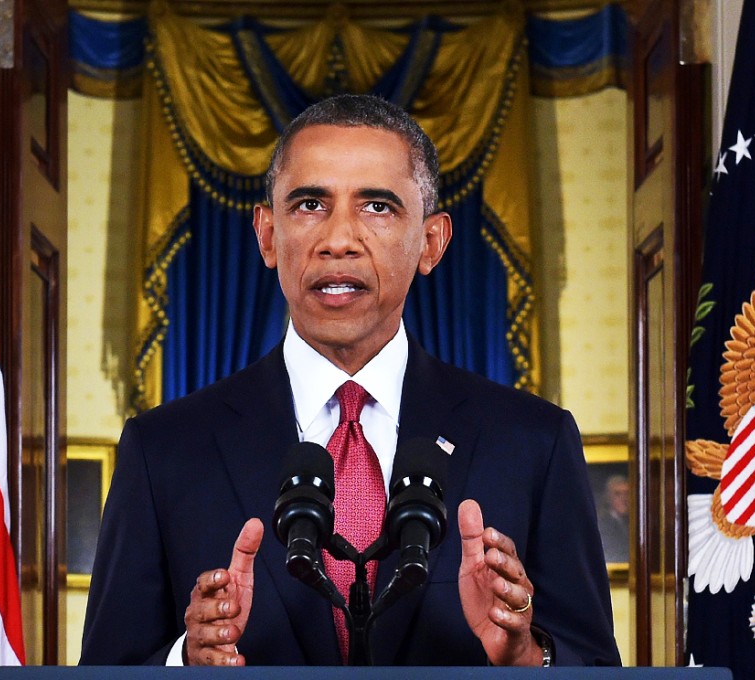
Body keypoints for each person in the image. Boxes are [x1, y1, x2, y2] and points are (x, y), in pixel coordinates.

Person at [80, 94, 620, 667]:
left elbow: (595, 666)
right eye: (310, 203)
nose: (339, 239)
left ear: (432, 242)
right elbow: (105, 672)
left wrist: (523, 656)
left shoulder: (534, 442)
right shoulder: (162, 450)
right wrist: (187, 660)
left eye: (377, 207)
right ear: (267, 234)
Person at [597, 474, 630, 563]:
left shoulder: (634, 524)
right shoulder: (602, 525)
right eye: (617, 494)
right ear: (607, 498)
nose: (624, 499)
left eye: (627, 493)